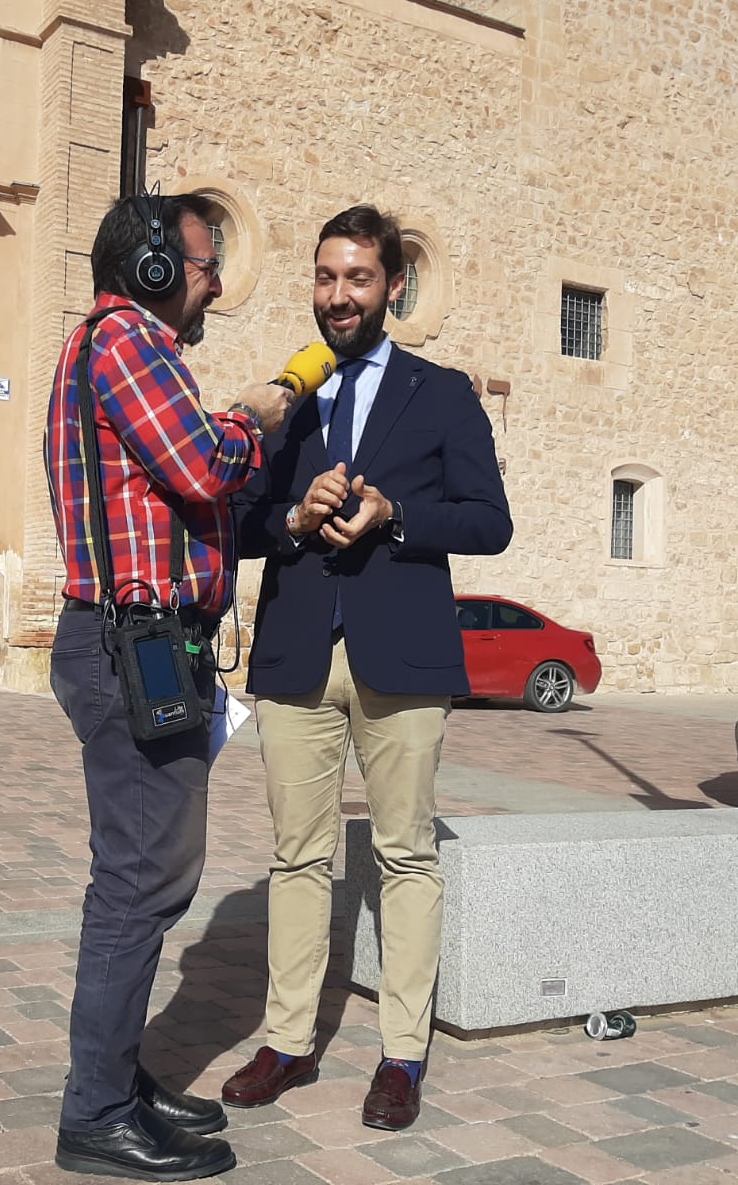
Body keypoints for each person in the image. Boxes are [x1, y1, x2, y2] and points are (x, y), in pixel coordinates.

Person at [222, 205, 512, 1131]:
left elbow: (489, 522)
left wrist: (394, 513)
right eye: (324, 278)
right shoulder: (285, 402)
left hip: (404, 654)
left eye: (357, 279)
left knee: (405, 855)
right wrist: (294, 519)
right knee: (296, 856)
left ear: (393, 286)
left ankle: (402, 1054)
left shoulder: (443, 395)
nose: (338, 296)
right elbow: (238, 525)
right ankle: (287, 1041)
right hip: (297, 654)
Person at [44, 192, 294, 1180]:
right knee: (139, 882)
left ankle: (117, 1082)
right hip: (131, 645)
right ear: (149, 267)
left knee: (151, 878)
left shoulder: (116, 348)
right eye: (200, 265)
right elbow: (199, 465)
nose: (215, 283)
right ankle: (94, 1114)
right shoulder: (127, 341)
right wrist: (256, 418)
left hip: (148, 643)